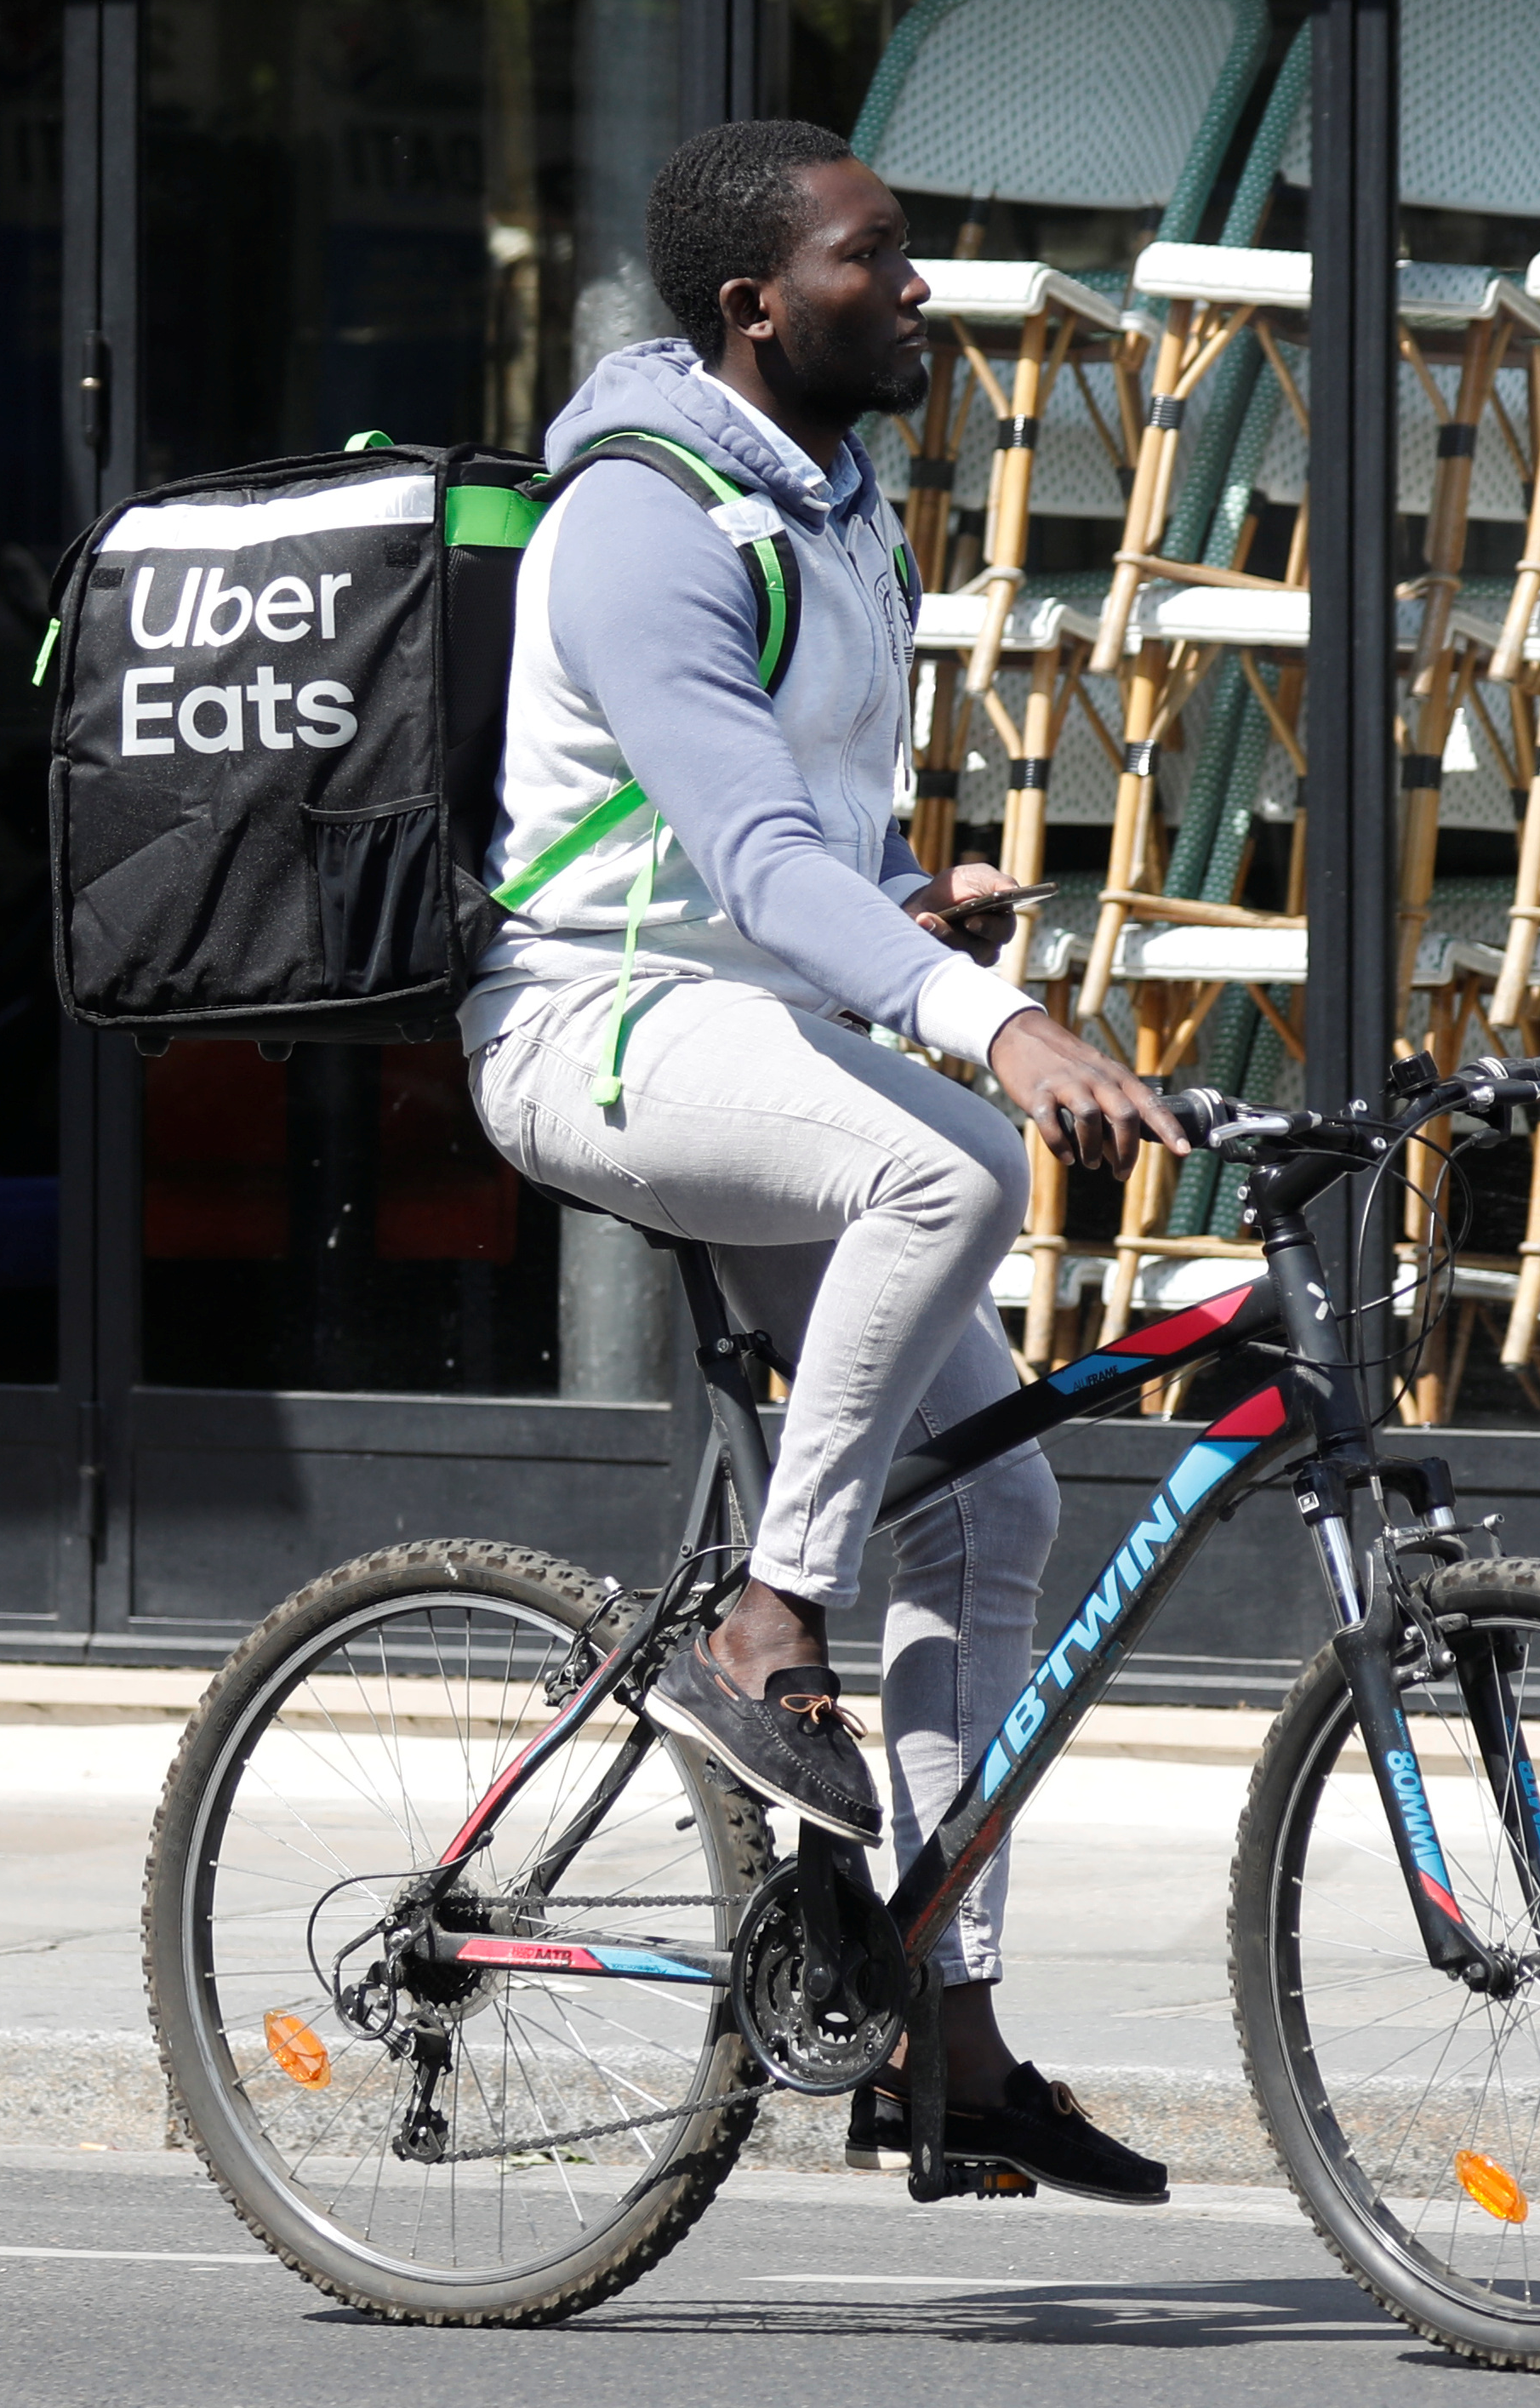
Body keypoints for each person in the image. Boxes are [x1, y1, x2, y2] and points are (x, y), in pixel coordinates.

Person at [468, 117, 1184, 2205]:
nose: (926, 288)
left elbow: (802, 845)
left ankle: (944, 2037)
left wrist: (912, 900)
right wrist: (993, 1020)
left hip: (749, 1025)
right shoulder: (645, 519)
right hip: (585, 1029)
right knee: (960, 1163)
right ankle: (772, 1617)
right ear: (751, 308)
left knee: (1000, 1504)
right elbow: (744, 862)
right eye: (884, 260)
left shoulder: (832, 497)